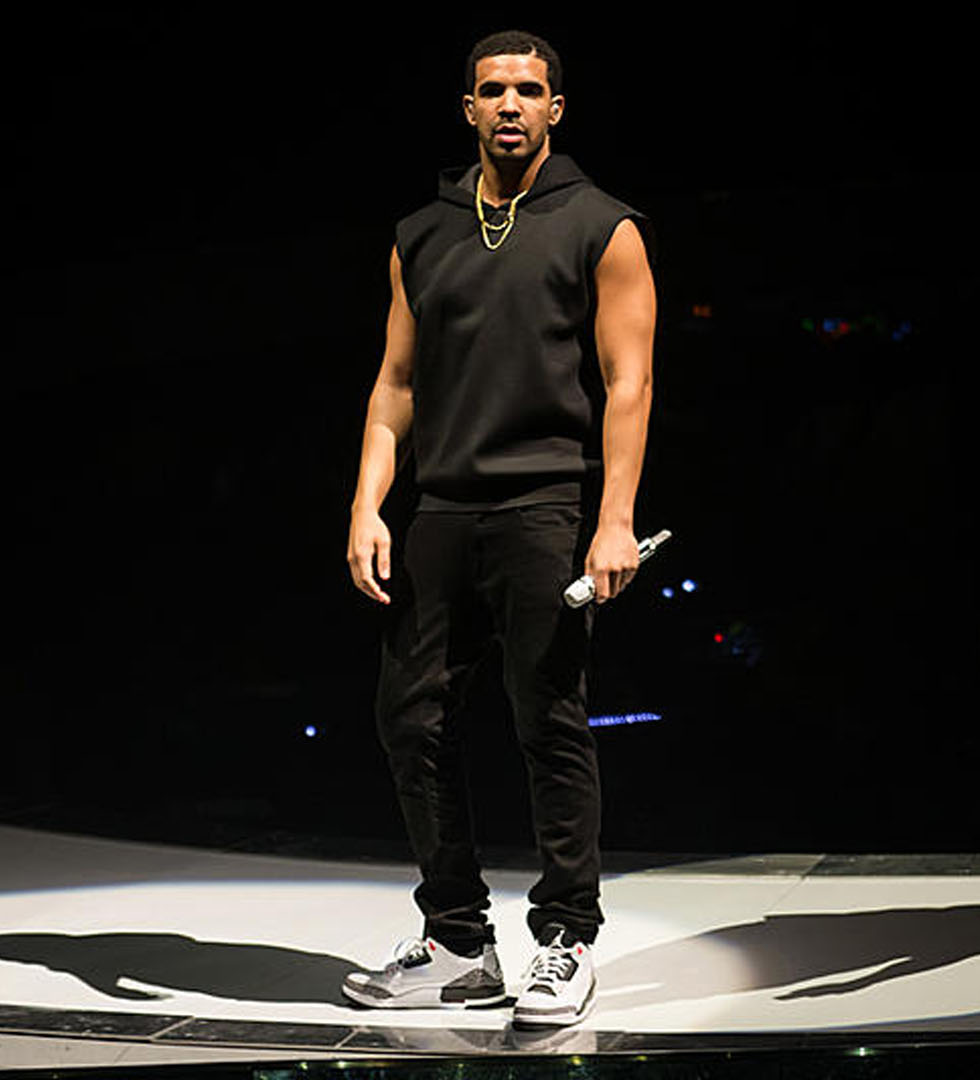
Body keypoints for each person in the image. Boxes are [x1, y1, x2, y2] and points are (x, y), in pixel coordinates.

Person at [339, 30, 657, 1028]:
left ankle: (566, 938)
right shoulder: (421, 233)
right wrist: (367, 503)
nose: (509, 104)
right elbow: (395, 383)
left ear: (555, 107)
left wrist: (614, 520)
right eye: (492, 90)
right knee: (411, 718)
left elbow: (630, 382)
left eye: (528, 89)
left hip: (544, 506)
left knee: (546, 716)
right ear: (468, 108)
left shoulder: (603, 226)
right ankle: (458, 940)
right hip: (441, 508)